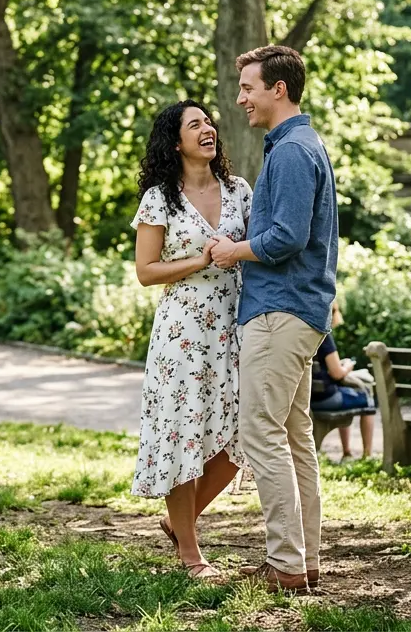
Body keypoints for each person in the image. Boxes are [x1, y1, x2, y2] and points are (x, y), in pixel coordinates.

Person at [210, 44, 338, 592]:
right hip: (298, 311)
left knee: (260, 432)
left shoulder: (290, 152)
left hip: (278, 311)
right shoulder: (302, 144)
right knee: (294, 435)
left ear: (277, 89)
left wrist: (232, 251)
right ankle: (303, 563)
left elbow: (287, 238)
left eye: (247, 88)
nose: (240, 99)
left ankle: (285, 565)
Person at [131, 99, 252, 580]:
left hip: (234, 324)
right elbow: (146, 271)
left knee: (238, 434)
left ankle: (179, 523)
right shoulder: (161, 198)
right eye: (194, 124)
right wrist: (200, 260)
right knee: (182, 434)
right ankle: (189, 552)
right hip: (182, 331)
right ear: (175, 140)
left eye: (208, 121)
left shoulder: (239, 191)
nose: (207, 129)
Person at [309, 301, 376, 460]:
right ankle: (367, 456)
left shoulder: (305, 331)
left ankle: (347, 452)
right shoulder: (324, 335)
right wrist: (348, 366)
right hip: (326, 399)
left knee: (346, 393)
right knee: (368, 400)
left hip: (309, 399)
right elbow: (337, 373)